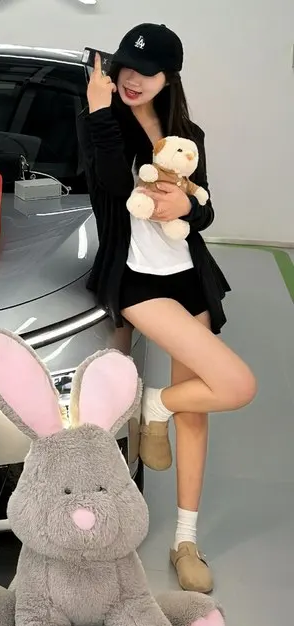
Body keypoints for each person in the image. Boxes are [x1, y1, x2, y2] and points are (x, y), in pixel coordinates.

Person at [76, 24, 257, 593]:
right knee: (236, 383)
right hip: (136, 281)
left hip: (188, 278)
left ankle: (185, 541)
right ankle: (155, 406)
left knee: (196, 411)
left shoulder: (187, 134)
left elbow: (204, 213)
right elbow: (108, 186)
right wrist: (99, 110)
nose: (132, 79)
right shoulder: (103, 119)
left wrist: (187, 206)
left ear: (168, 77)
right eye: (126, 67)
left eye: (146, 72)